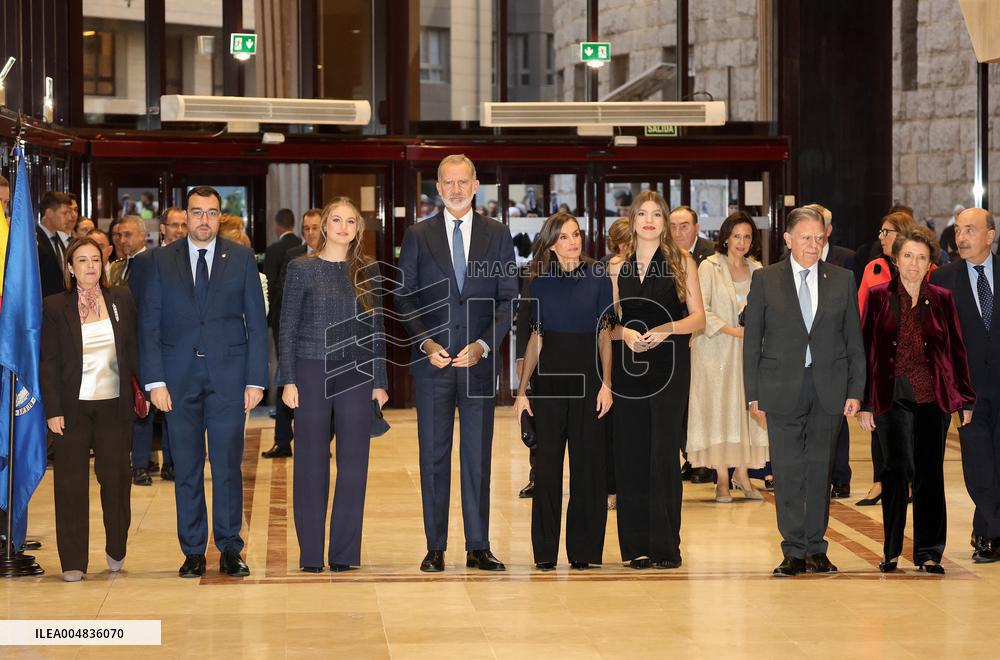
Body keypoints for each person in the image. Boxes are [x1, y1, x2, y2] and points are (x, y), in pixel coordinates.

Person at [396, 154, 518, 573]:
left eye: (462, 181)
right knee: (433, 457)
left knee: (476, 456)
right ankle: (435, 545)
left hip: (478, 366)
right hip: (433, 365)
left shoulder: (498, 235)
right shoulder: (418, 234)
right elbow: (403, 297)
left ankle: (478, 545)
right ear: (437, 188)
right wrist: (426, 342)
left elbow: (507, 299)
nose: (455, 188)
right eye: (448, 182)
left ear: (476, 184)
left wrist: (485, 344)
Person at [140, 185, 268, 578]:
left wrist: (256, 380)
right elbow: (149, 324)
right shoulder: (160, 261)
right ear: (185, 217)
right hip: (177, 381)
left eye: (212, 213)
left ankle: (230, 548)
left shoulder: (242, 258)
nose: (204, 220)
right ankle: (193, 550)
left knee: (228, 466)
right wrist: (154, 381)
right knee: (188, 468)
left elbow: (257, 325)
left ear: (220, 218)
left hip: (229, 379)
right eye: (197, 212)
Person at [743, 206, 865, 577]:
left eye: (819, 237)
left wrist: (855, 390)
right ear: (788, 239)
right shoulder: (766, 279)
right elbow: (752, 341)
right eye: (806, 237)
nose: (814, 244)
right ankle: (793, 549)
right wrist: (753, 394)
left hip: (828, 387)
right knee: (788, 469)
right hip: (780, 388)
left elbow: (853, 340)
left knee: (819, 470)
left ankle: (817, 548)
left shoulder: (841, 279)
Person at [278, 198, 388, 572]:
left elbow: (377, 327)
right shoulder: (301, 269)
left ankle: (344, 554)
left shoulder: (368, 270)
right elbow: (287, 327)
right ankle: (311, 554)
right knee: (310, 463)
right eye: (336, 220)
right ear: (324, 225)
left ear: (358, 228)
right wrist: (288, 379)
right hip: (310, 370)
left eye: (351, 221)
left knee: (354, 464)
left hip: (357, 373)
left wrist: (380, 381)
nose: (343, 226)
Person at [859, 227, 974, 575]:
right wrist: (865, 403)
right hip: (890, 396)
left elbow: (956, 350)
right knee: (895, 470)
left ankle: (928, 552)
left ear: (930, 264)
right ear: (896, 260)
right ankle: (891, 549)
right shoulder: (879, 297)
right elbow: (866, 351)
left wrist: (965, 399)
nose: (914, 263)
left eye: (921, 257)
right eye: (907, 256)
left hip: (931, 397)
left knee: (929, 473)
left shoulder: (941, 298)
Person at [609, 190, 705, 570]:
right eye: (642, 213)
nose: (649, 220)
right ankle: (636, 547)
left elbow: (699, 319)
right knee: (631, 454)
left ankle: (666, 546)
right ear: (632, 220)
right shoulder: (616, 266)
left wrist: (667, 329)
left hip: (669, 367)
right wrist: (624, 334)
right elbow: (607, 323)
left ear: (665, 222)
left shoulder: (682, 261)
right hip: (628, 368)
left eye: (656, 214)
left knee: (663, 455)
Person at [513, 212, 614, 570]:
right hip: (549, 385)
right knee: (547, 470)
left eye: (577, 234)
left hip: (589, 384)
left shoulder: (598, 276)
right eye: (566, 237)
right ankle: (544, 553)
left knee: (588, 470)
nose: (574, 242)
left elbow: (604, 335)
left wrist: (607, 384)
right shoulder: (538, 281)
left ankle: (584, 552)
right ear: (552, 243)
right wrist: (522, 390)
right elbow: (534, 339)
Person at [39, 237, 139, 581]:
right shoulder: (54, 306)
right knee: (69, 484)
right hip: (71, 408)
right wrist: (52, 409)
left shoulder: (121, 299)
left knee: (116, 480)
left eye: (95, 259)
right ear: (70, 267)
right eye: (81, 260)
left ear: (103, 263)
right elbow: (48, 363)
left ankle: (116, 546)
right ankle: (73, 561)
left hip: (114, 406)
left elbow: (135, 350)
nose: (90, 266)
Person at [930, 208, 1000, 562]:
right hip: (969, 391)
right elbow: (938, 341)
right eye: (958, 230)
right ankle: (991, 528)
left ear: (990, 235)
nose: (961, 237)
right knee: (978, 463)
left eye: (970, 230)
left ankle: (987, 532)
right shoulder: (943, 279)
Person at [687, 211, 768, 501]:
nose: (742, 242)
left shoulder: (759, 269)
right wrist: (733, 331)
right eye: (737, 236)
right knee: (720, 410)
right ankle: (721, 476)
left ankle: (743, 473)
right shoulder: (709, 266)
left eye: (747, 237)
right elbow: (700, 309)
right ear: (725, 238)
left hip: (749, 352)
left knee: (746, 409)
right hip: (716, 349)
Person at [854, 210, 919, 506]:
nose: (881, 237)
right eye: (881, 232)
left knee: (908, 423)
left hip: (912, 360)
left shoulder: (921, 267)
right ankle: (880, 480)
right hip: (879, 355)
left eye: (887, 232)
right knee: (877, 418)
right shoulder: (874, 268)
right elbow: (861, 311)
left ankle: (907, 480)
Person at [802, 203, 857, 499]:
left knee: (838, 424)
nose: (812, 240)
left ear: (828, 230)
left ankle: (840, 476)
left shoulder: (846, 260)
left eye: (818, 229)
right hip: (801, 363)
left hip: (834, 356)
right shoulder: (791, 261)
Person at [263, 209, 324, 459]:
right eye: (306, 228)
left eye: (315, 227)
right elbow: (281, 293)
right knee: (286, 380)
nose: (310, 233)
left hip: (320, 338)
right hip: (290, 331)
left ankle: (318, 441)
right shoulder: (292, 256)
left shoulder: (335, 256)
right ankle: (282, 440)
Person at [668, 204, 716, 483]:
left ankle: (700, 459)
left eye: (684, 225)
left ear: (696, 227)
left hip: (705, 336)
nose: (678, 232)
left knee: (699, 402)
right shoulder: (664, 254)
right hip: (675, 339)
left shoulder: (709, 255)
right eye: (673, 226)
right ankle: (688, 454)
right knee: (681, 402)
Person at [36, 191, 74, 298]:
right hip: (43, 305)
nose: (69, 218)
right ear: (49, 213)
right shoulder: (34, 239)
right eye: (64, 213)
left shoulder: (59, 239)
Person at [109, 215, 148, 288]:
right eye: (120, 235)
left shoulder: (153, 264)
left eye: (127, 235)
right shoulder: (115, 267)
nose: (122, 240)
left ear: (142, 236)